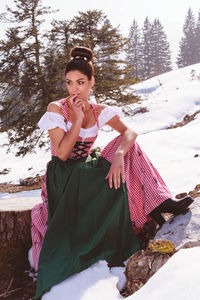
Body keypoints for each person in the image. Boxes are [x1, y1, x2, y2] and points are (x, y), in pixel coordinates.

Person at [31, 46, 193, 299]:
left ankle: (159, 201)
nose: (75, 89)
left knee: (128, 146)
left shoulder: (97, 110)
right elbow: (62, 154)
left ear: (91, 82)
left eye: (81, 83)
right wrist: (75, 119)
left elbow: (130, 133)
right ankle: (149, 207)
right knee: (105, 160)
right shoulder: (57, 108)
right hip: (64, 176)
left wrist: (118, 156)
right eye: (69, 83)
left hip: (86, 169)